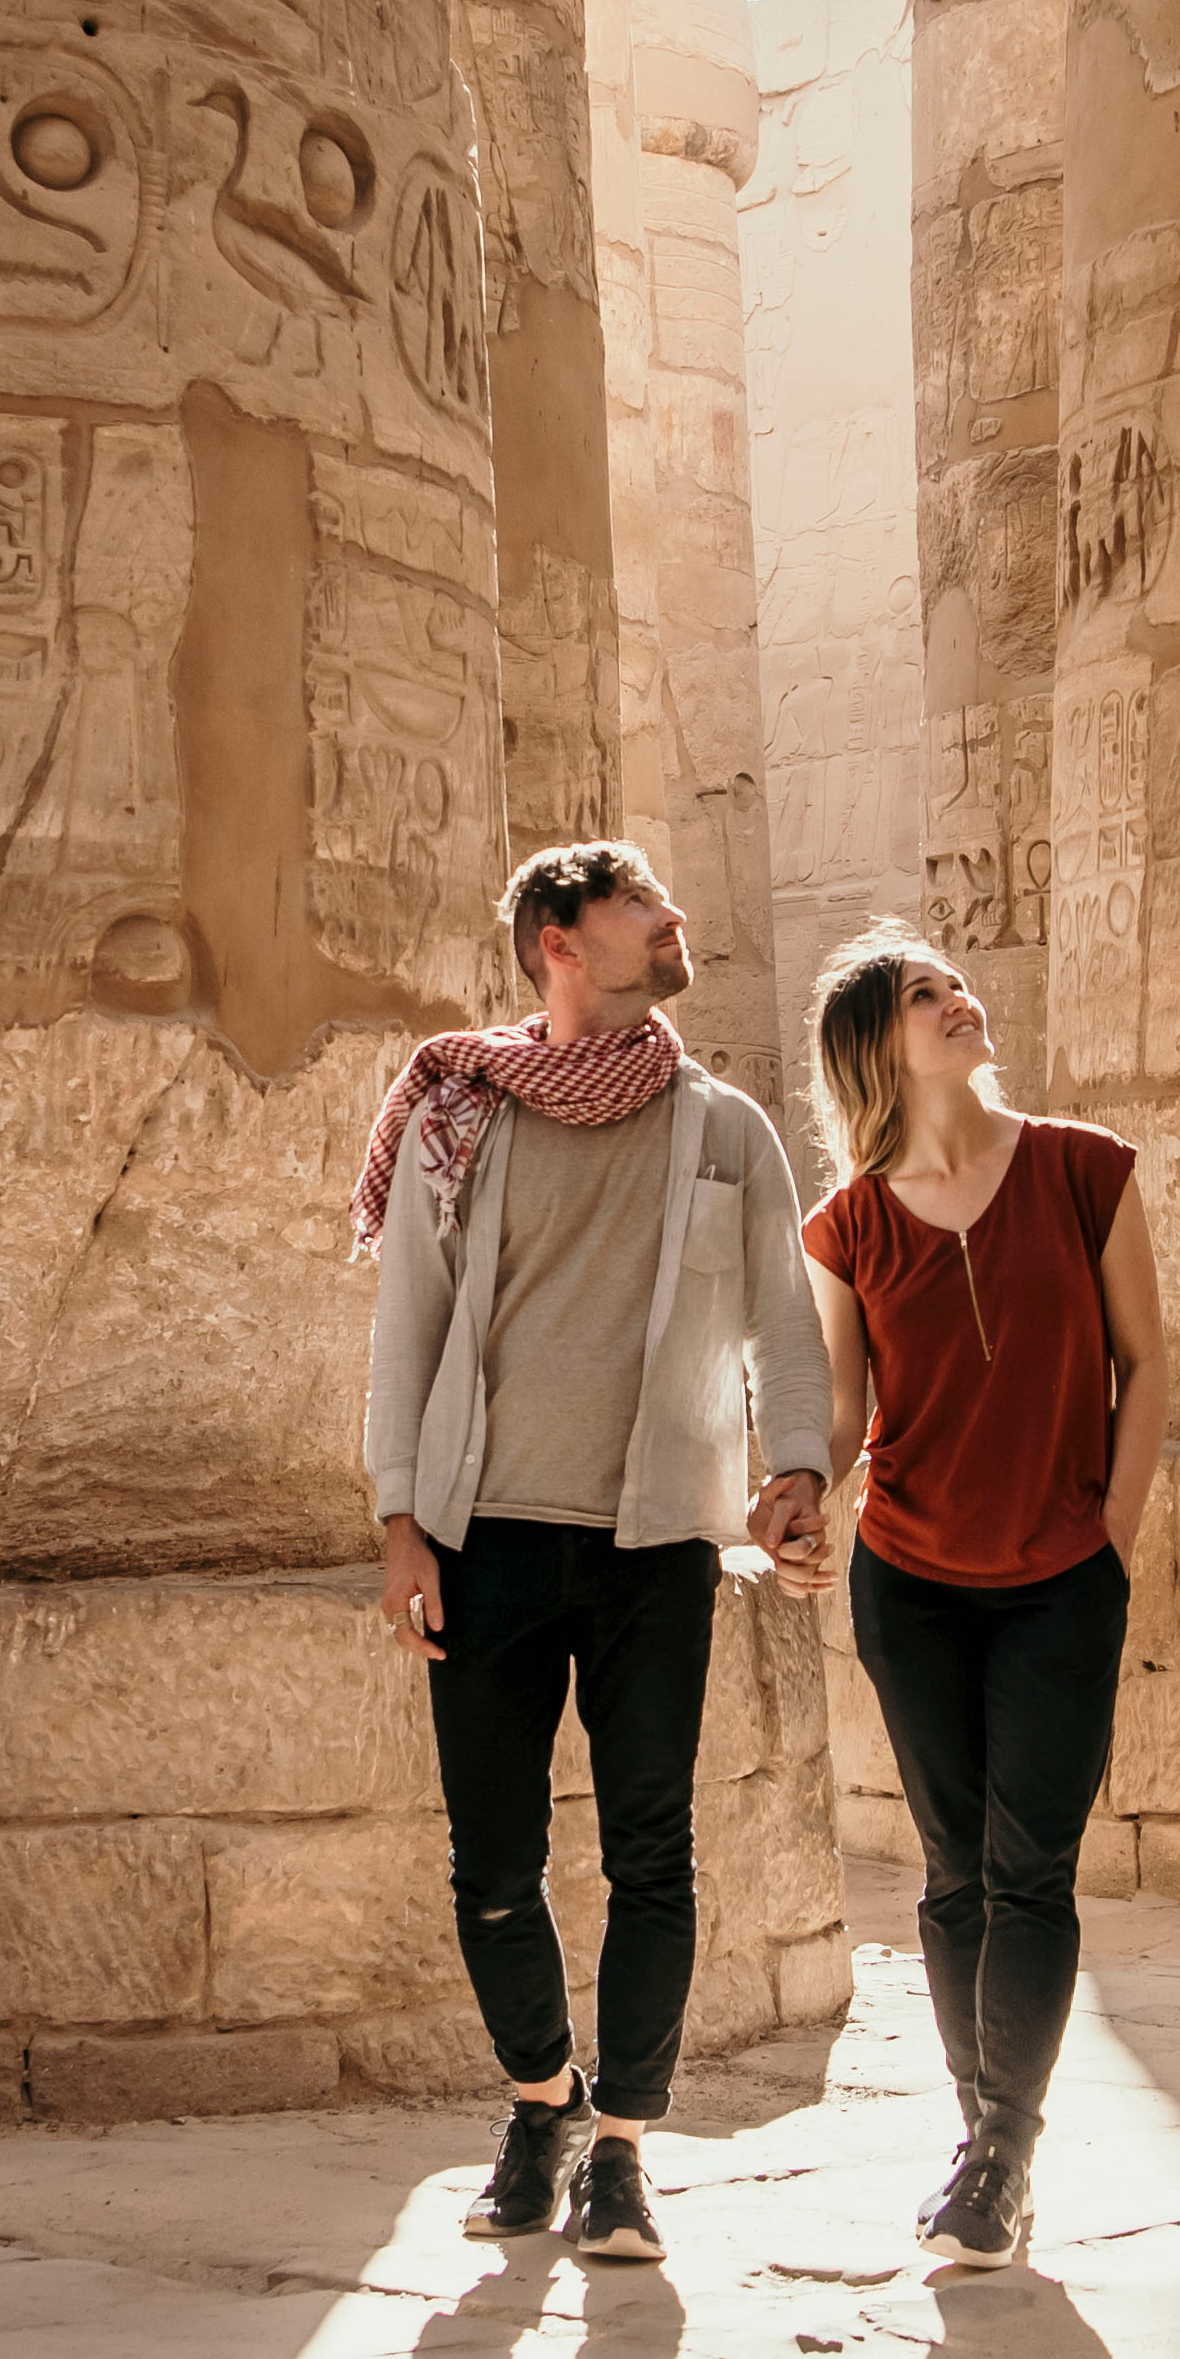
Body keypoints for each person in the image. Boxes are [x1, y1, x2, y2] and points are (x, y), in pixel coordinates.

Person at [356, 843, 830, 2264]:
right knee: (490, 1866)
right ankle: (535, 2098)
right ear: (559, 941)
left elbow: (779, 1328)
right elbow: (409, 1327)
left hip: (654, 1551)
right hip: (478, 1537)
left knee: (653, 1857)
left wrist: (795, 1471)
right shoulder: (463, 1115)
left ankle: (621, 2147)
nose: (675, 920)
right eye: (640, 907)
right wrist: (397, 1524)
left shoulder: (725, 1128)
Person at [794, 924, 1164, 2271]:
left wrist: (1109, 1536)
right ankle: (984, 2150)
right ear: (878, 1049)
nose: (962, 1002)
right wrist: (795, 1493)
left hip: (1063, 1578)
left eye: (956, 983)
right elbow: (845, 1411)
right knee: (954, 1877)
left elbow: (1146, 1366)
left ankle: (1001, 2150)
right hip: (913, 1579)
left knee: (1033, 1871)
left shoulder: (1083, 1168)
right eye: (926, 996)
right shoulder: (845, 1224)